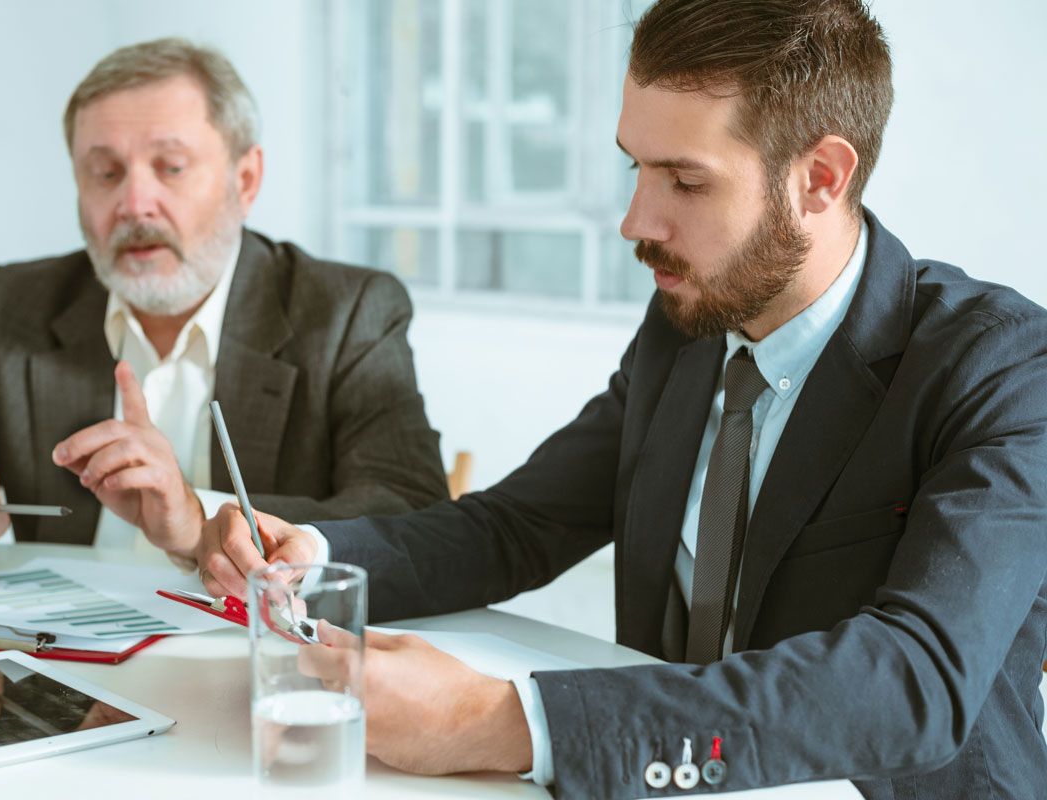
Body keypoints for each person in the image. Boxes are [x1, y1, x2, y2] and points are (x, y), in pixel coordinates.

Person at [193, 2, 1047, 798]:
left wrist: (508, 724)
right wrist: (313, 551)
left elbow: (914, 679)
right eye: (636, 168)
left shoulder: (1001, 365)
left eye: (685, 180)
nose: (636, 220)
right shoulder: (688, 324)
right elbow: (519, 525)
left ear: (820, 176)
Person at [0, 38, 448, 572]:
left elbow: (410, 512)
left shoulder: (346, 311)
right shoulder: (22, 304)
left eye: (172, 168)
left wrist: (197, 521)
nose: (134, 203)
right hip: (66, 675)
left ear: (245, 180)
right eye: (105, 173)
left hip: (259, 669)